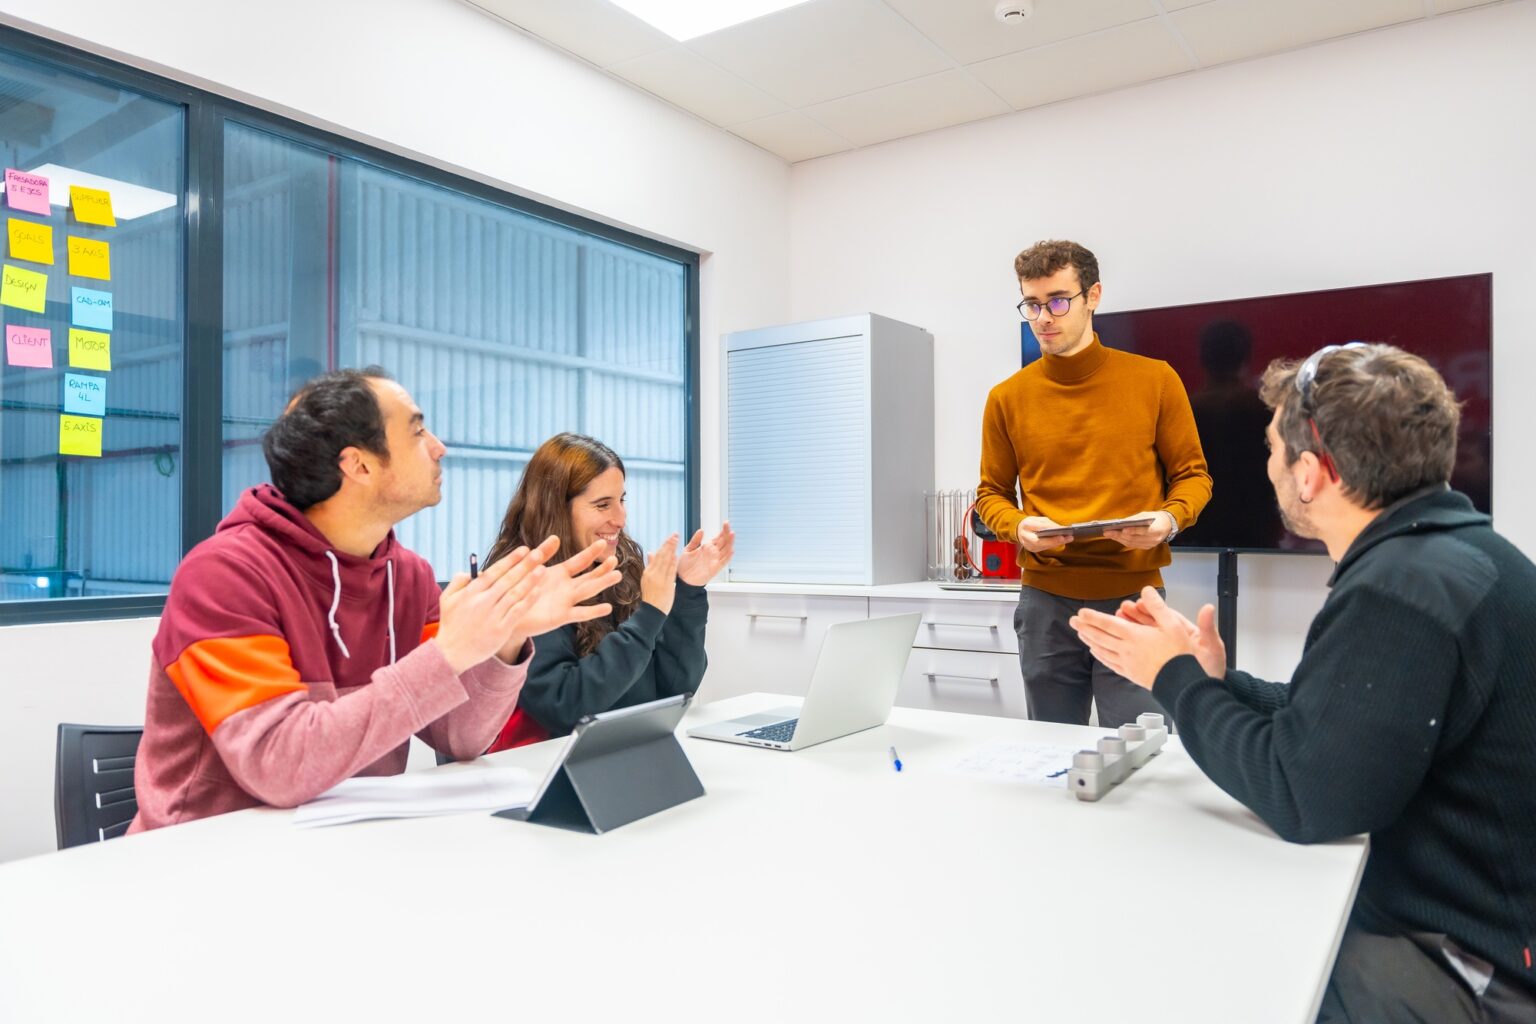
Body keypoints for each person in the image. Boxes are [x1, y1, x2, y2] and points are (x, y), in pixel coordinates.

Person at [1069, 343, 1536, 1021]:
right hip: (1479, 926)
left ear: (1312, 473)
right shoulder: (1445, 557)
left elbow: (1302, 794)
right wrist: (1217, 679)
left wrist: (1168, 677)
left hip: (1469, 968)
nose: (1266, 467)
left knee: (1196, 963)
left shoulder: (1402, 590)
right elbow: (1339, 732)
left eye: (1271, 450)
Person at [130, 368, 621, 831]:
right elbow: (279, 765)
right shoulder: (224, 574)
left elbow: (461, 737)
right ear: (359, 464)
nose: (439, 448)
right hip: (207, 861)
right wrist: (448, 653)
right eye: (416, 433)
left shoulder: (408, 577)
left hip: (353, 846)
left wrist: (507, 637)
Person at [975, 239, 1211, 728]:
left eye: (1058, 301)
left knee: (1139, 754)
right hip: (1044, 604)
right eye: (1033, 304)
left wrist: (1167, 521)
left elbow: (1194, 477)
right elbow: (990, 496)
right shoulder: (1006, 398)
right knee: (1049, 753)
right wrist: (1018, 527)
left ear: (1094, 296)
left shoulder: (1156, 381)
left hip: (1132, 598)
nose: (1044, 317)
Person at [481, 433, 734, 750]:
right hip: (551, 766)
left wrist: (686, 591)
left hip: (623, 753)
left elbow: (676, 689)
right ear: (555, 508)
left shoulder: (620, 563)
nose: (620, 518)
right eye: (603, 505)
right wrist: (650, 615)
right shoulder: (522, 581)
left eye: (621, 500)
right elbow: (565, 707)